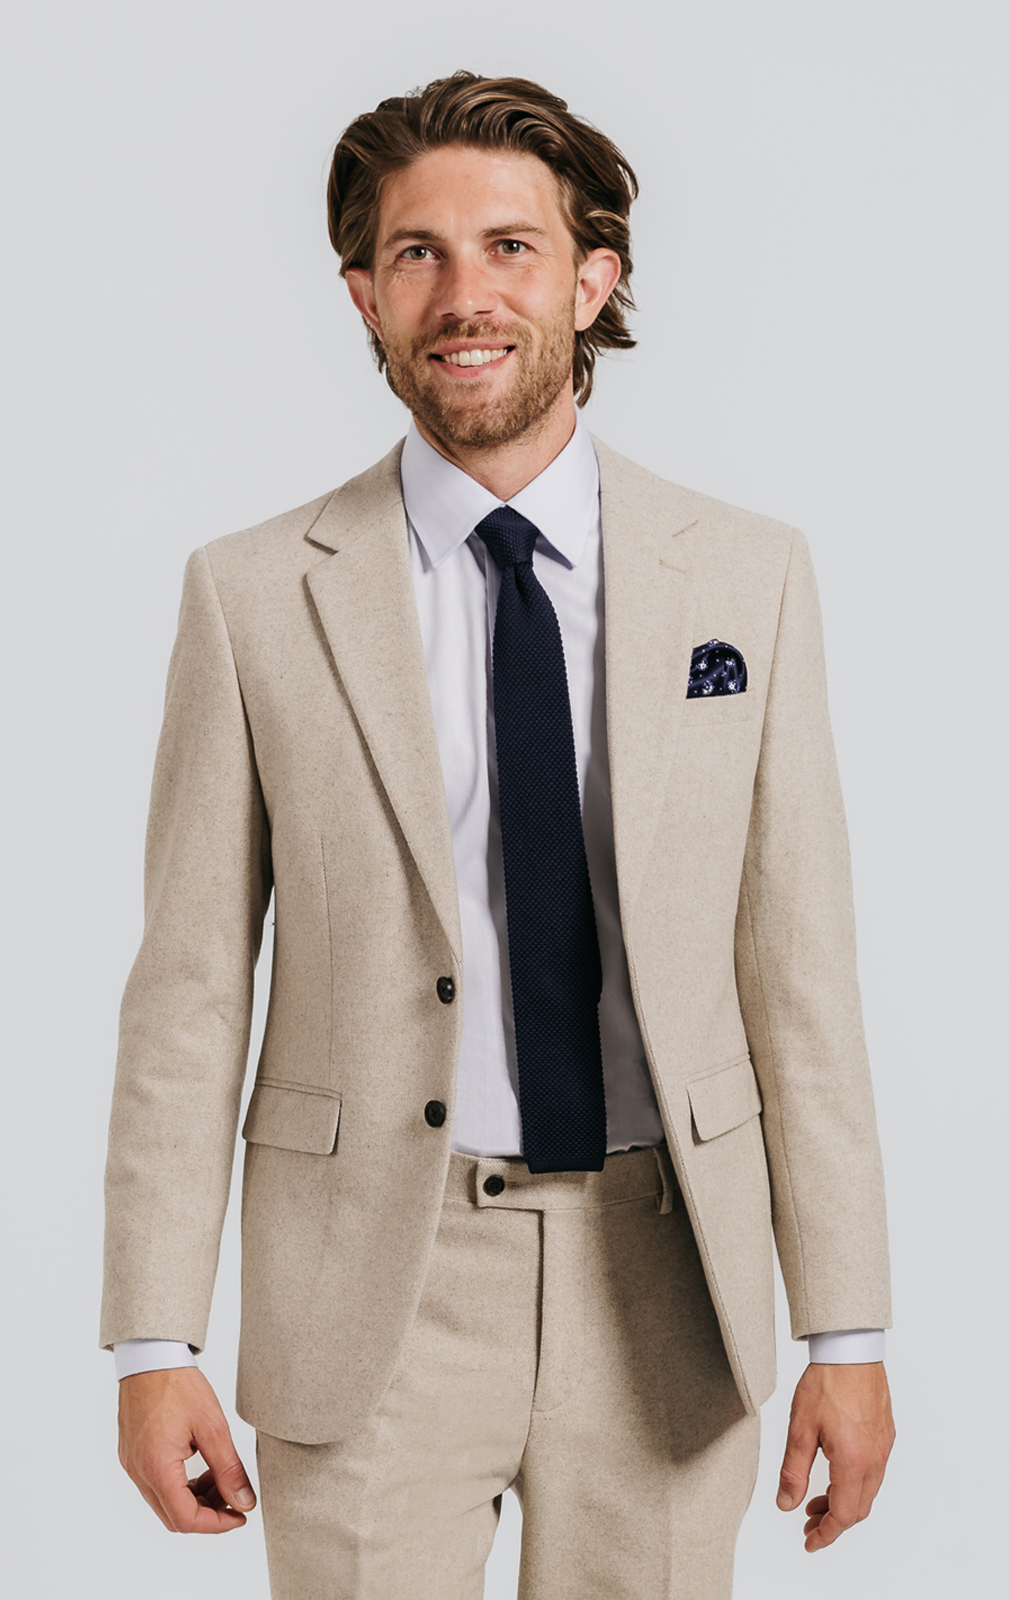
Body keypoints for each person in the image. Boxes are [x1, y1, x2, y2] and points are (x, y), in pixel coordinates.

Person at [102, 72, 894, 1600]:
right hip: (368, 1288)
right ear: (363, 296)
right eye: (418, 254)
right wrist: (152, 1337)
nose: (464, 295)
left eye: (509, 247)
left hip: (666, 1280)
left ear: (590, 280)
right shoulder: (253, 594)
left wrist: (844, 1329)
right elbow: (189, 990)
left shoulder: (746, 578)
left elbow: (798, 974)